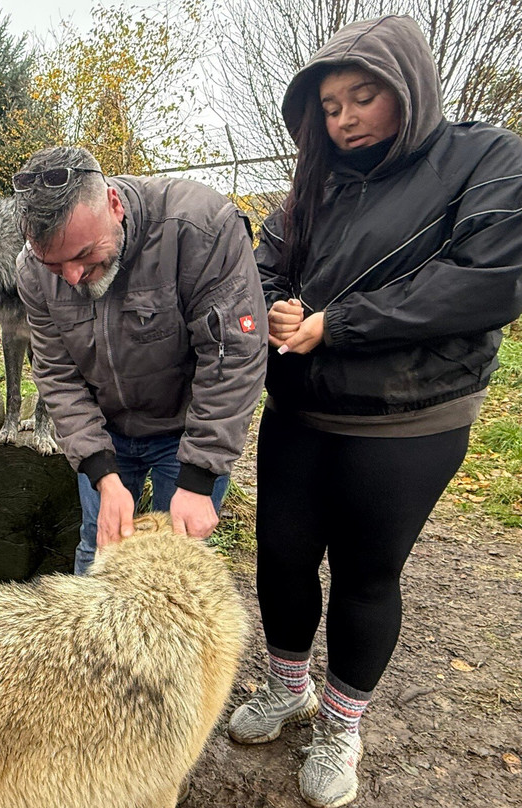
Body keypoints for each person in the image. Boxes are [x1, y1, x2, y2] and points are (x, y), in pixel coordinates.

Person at [225, 15, 522, 808]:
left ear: (410, 91)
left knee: (366, 574)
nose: (344, 117)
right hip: (300, 414)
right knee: (281, 557)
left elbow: (486, 280)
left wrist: (337, 323)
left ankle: (342, 722)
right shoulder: (313, 184)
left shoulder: (486, 157)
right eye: (329, 106)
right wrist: (278, 308)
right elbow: (266, 262)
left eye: (363, 97)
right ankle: (288, 688)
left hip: (408, 422)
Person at [14, 146, 268, 573]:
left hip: (185, 430)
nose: (72, 278)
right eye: (55, 266)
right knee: (99, 550)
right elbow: (57, 374)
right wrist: (101, 471)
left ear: (113, 204)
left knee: (175, 569)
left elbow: (233, 355)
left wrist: (200, 475)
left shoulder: (200, 228)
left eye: (82, 255)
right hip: (105, 431)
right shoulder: (31, 270)